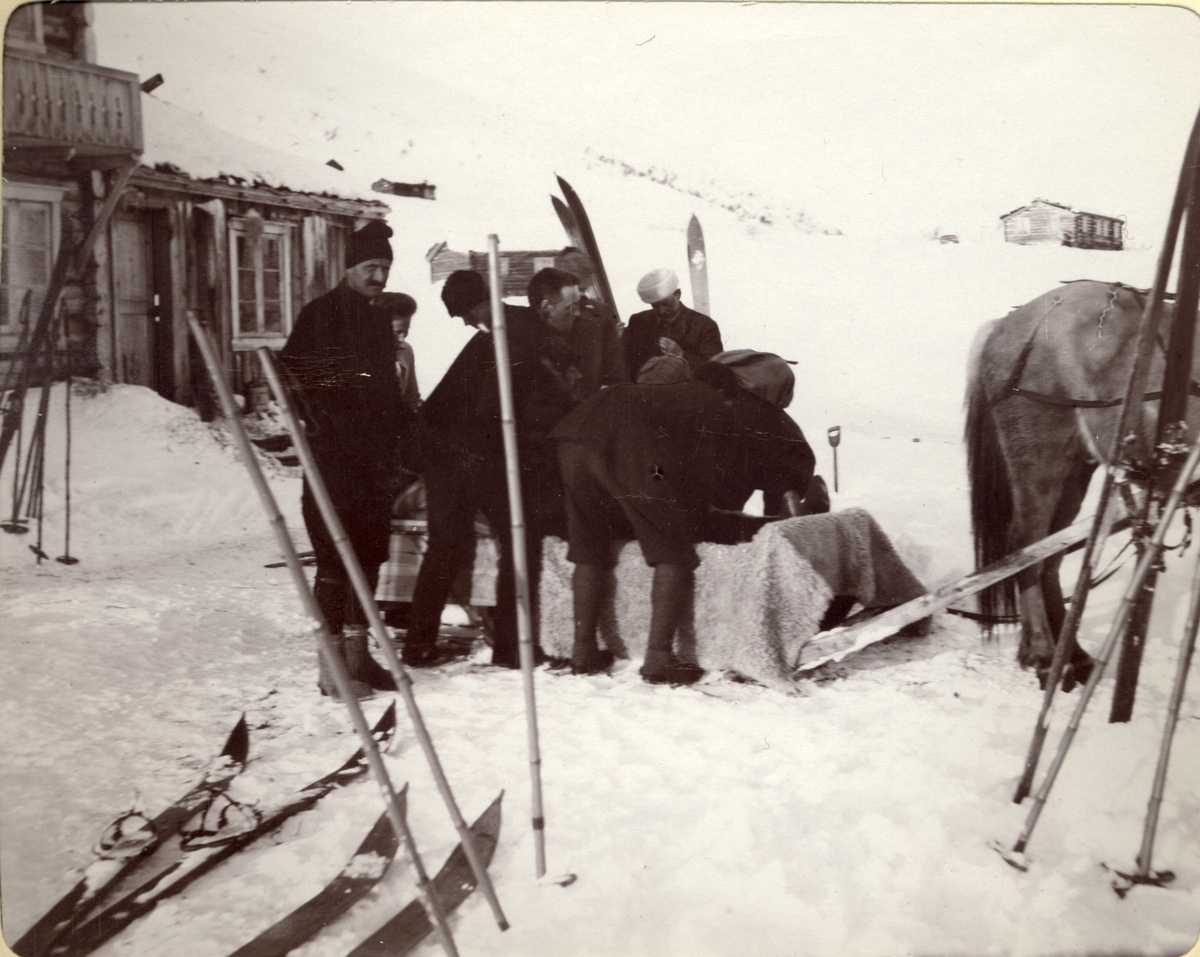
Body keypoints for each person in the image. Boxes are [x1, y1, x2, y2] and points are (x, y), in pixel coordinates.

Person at [552, 351, 817, 685]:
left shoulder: (669, 396)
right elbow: (701, 481)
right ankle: (658, 659)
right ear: (728, 394)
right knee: (673, 549)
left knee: (589, 547)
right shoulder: (715, 403)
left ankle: (583, 651)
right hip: (628, 438)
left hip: (576, 435)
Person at [402, 269, 578, 668]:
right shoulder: (505, 331)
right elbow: (496, 409)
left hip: (457, 453)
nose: (465, 321)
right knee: (517, 539)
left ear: (484, 301)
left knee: (453, 544)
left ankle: (420, 643)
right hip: (469, 453)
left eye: (467, 312)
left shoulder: (513, 332)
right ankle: (509, 647)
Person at [279, 218, 404, 698]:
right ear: (350, 267)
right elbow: (309, 386)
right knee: (336, 559)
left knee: (370, 556)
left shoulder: (376, 317)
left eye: (385, 269)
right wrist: (349, 414)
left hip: (374, 460)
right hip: (335, 458)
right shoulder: (322, 315)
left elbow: (386, 391)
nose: (379, 277)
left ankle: (359, 659)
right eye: (371, 267)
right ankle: (332, 670)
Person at [528, 265, 628, 402]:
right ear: (545, 308)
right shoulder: (524, 342)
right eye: (569, 308)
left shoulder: (598, 328)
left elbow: (618, 379)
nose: (577, 312)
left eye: (577, 304)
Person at [624, 267, 723, 383]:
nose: (661, 311)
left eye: (666, 304)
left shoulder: (705, 325)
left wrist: (681, 354)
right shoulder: (638, 321)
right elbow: (624, 359)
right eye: (655, 306)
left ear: (678, 294)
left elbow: (716, 368)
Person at [373, 292, 421, 414]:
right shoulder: (364, 353)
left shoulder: (406, 350)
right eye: (397, 332)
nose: (402, 339)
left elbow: (412, 396)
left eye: (406, 330)